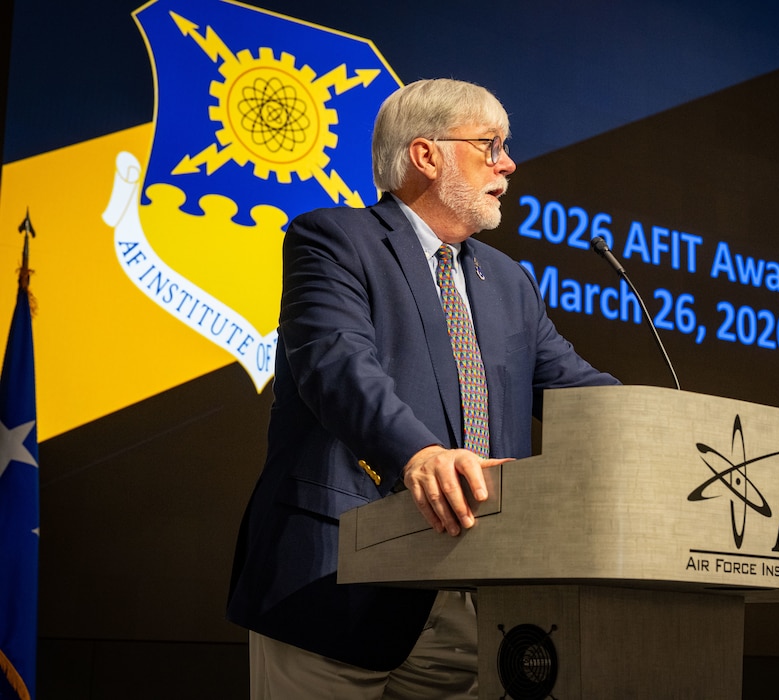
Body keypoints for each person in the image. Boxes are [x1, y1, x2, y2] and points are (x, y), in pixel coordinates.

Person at [225, 78, 619, 698]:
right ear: (426, 155)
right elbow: (336, 364)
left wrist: (663, 426)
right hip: (335, 584)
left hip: (469, 593)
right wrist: (420, 453)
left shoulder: (509, 281)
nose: (509, 164)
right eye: (490, 145)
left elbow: (578, 390)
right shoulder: (332, 239)